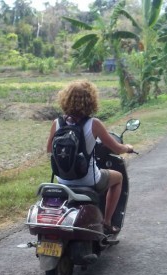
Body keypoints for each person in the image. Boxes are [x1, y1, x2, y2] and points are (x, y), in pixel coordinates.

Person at [46, 79, 134, 234]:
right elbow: (117, 148)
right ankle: (107, 222)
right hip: (88, 179)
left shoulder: (57, 122)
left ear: (65, 98)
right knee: (118, 177)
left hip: (63, 180)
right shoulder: (94, 124)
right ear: (91, 100)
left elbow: (49, 149)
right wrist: (127, 148)